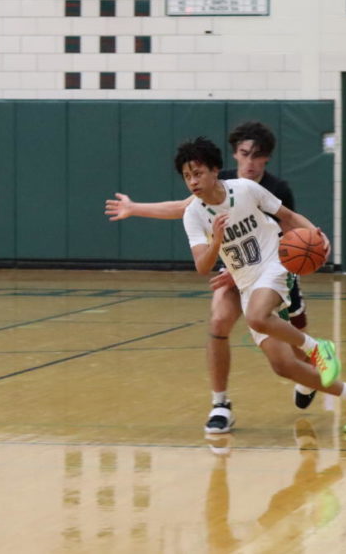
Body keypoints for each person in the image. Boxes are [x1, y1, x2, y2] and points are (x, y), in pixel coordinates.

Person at [105, 121, 318, 434]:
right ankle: (220, 404)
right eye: (243, 154)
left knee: (295, 328)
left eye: (256, 156)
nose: (248, 161)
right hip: (234, 268)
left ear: (266, 159)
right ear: (234, 155)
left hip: (273, 264)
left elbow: (287, 231)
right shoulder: (220, 181)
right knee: (218, 322)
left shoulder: (276, 188)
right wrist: (135, 207)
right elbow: (181, 208)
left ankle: (308, 375)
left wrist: (310, 241)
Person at [178, 136, 346, 433]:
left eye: (197, 173)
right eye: (186, 177)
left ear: (215, 170)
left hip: (275, 261)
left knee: (257, 317)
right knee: (283, 365)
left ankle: (317, 347)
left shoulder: (245, 189)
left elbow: (286, 216)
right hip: (247, 282)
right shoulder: (194, 214)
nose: (192, 182)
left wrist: (316, 234)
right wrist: (216, 241)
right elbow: (202, 266)